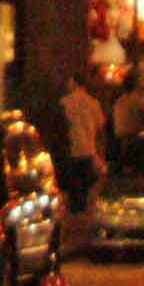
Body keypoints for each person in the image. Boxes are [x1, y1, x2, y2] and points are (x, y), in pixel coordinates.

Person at [58, 68, 106, 213]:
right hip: (88, 150)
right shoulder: (94, 103)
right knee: (86, 186)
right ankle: (83, 213)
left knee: (73, 187)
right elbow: (100, 127)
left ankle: (75, 213)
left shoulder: (64, 102)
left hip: (72, 150)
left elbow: (60, 126)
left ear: (74, 82)